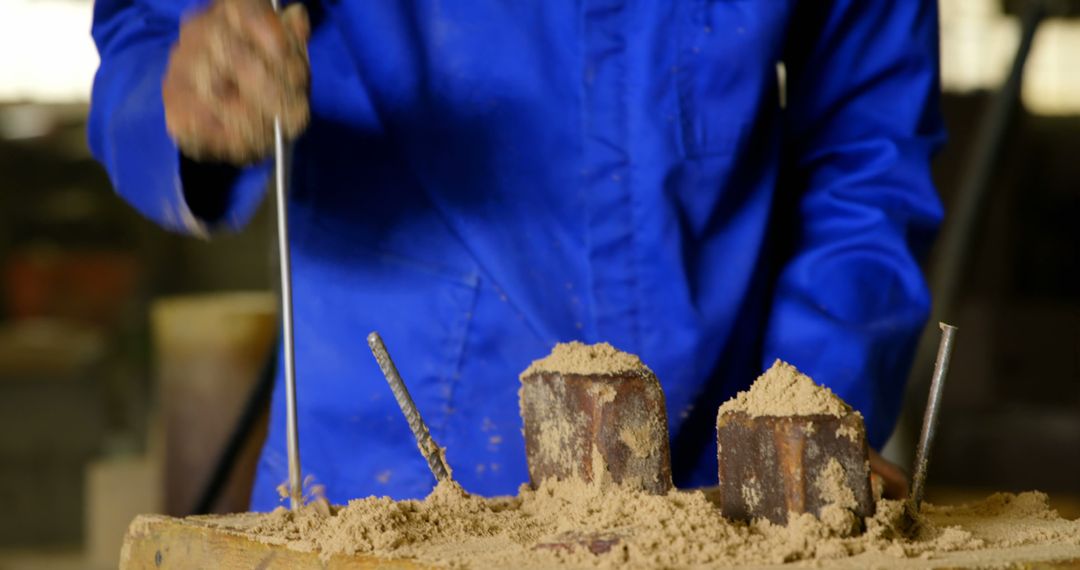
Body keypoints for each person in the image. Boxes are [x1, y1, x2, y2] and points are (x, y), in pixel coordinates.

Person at [89, 0, 941, 510]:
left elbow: (869, 144)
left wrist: (811, 400)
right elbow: (152, 31)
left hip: (724, 481)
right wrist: (190, 80)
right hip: (390, 470)